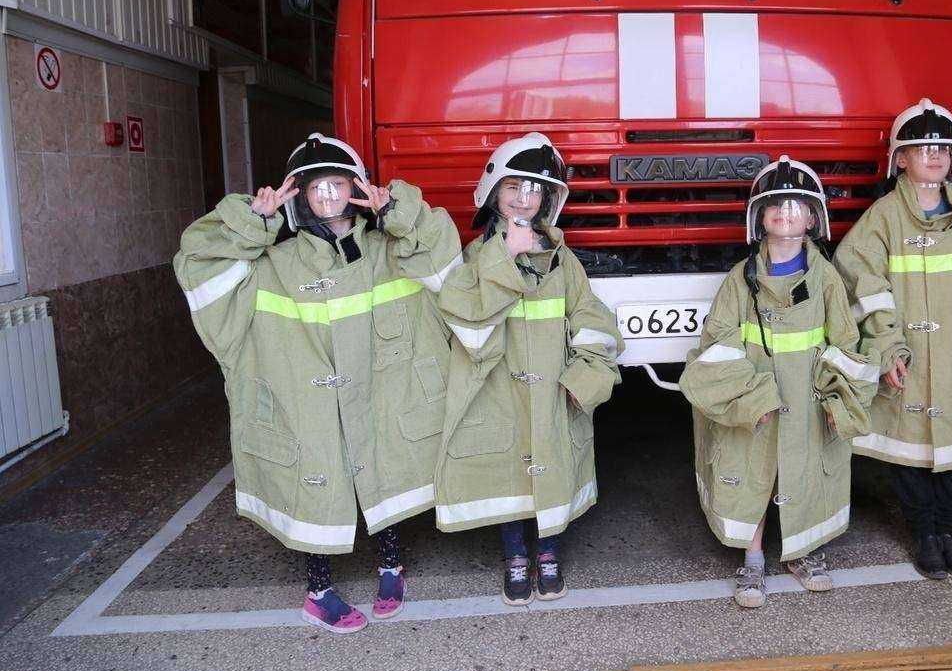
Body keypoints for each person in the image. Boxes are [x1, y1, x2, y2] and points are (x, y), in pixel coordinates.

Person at [174, 133, 462, 634]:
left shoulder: (391, 252)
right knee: (317, 484)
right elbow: (197, 265)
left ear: (356, 189)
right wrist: (252, 223)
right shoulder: (272, 266)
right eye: (316, 187)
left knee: (381, 470)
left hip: (378, 394)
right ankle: (318, 591)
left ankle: (391, 569)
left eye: (338, 184)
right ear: (298, 197)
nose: (327, 196)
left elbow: (446, 269)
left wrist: (401, 213)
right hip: (306, 408)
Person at [434, 133, 624, 606]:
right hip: (498, 392)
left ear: (548, 200)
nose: (524, 197)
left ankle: (549, 552)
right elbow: (464, 316)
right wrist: (508, 255)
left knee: (552, 472)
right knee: (508, 475)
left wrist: (584, 381)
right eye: (514, 186)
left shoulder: (563, 261)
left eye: (535, 189)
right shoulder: (477, 259)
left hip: (554, 393)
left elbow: (594, 324)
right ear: (494, 192)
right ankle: (515, 555)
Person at [680, 156, 878, 608]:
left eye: (796, 205)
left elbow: (846, 341)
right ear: (758, 218)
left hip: (809, 400)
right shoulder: (739, 280)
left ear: (814, 218)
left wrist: (838, 399)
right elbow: (717, 346)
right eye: (775, 205)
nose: (786, 213)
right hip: (757, 406)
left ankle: (803, 552)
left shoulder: (825, 277)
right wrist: (752, 399)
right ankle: (752, 560)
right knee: (756, 476)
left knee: (805, 473)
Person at [833, 99, 952, 580]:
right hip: (908, 362)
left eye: (942, 148)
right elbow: (863, 285)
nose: (934, 156)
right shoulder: (882, 218)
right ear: (900, 159)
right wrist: (888, 347)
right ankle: (924, 533)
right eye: (921, 148)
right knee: (909, 453)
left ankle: (949, 530)